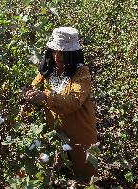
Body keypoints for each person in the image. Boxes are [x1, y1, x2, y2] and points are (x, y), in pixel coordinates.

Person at [24, 27, 98, 181]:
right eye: (55, 51)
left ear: (72, 54)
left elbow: (74, 101)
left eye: (63, 53)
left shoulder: (81, 73)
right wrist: (27, 94)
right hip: (56, 133)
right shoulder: (47, 70)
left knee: (83, 173)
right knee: (58, 171)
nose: (57, 56)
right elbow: (33, 87)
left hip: (80, 133)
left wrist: (45, 96)